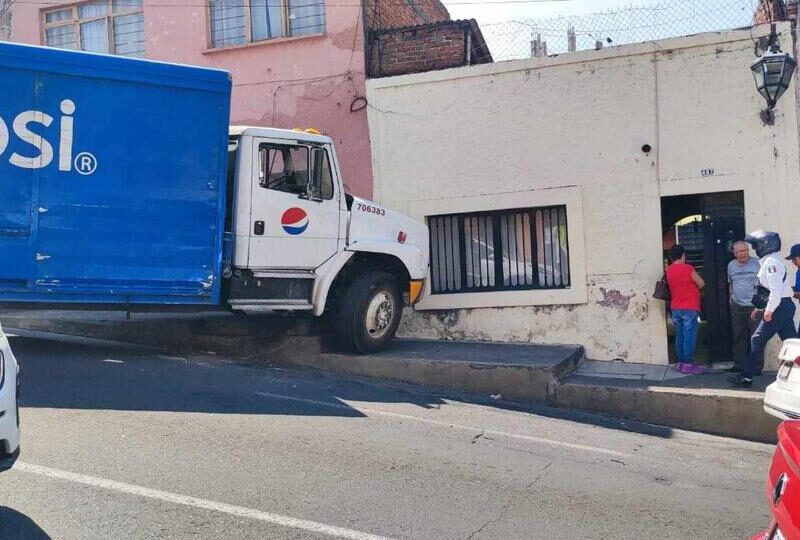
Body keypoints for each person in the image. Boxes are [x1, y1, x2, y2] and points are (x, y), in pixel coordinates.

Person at [729, 231, 798, 387]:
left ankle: (746, 377)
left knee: (757, 339)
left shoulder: (771, 263)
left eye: (755, 245)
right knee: (792, 343)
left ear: (764, 245)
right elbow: (766, 292)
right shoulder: (769, 261)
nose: (754, 248)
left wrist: (769, 311)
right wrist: (760, 308)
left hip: (779, 306)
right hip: (783, 306)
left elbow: (775, 290)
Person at [666, 244, 706, 374]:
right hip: (690, 305)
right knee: (690, 334)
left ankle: (681, 362)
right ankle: (688, 363)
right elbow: (701, 283)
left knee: (680, 334)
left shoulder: (669, 270)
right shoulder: (688, 268)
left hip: (676, 306)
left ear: (671, 257)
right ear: (683, 255)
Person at [726, 241, 760, 374]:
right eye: (740, 251)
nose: (743, 253)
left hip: (754, 306)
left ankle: (756, 367)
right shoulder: (731, 265)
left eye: (745, 250)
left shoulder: (757, 263)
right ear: (735, 254)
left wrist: (761, 304)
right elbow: (731, 284)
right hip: (737, 305)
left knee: (756, 337)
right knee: (739, 335)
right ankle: (739, 364)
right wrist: (731, 299)